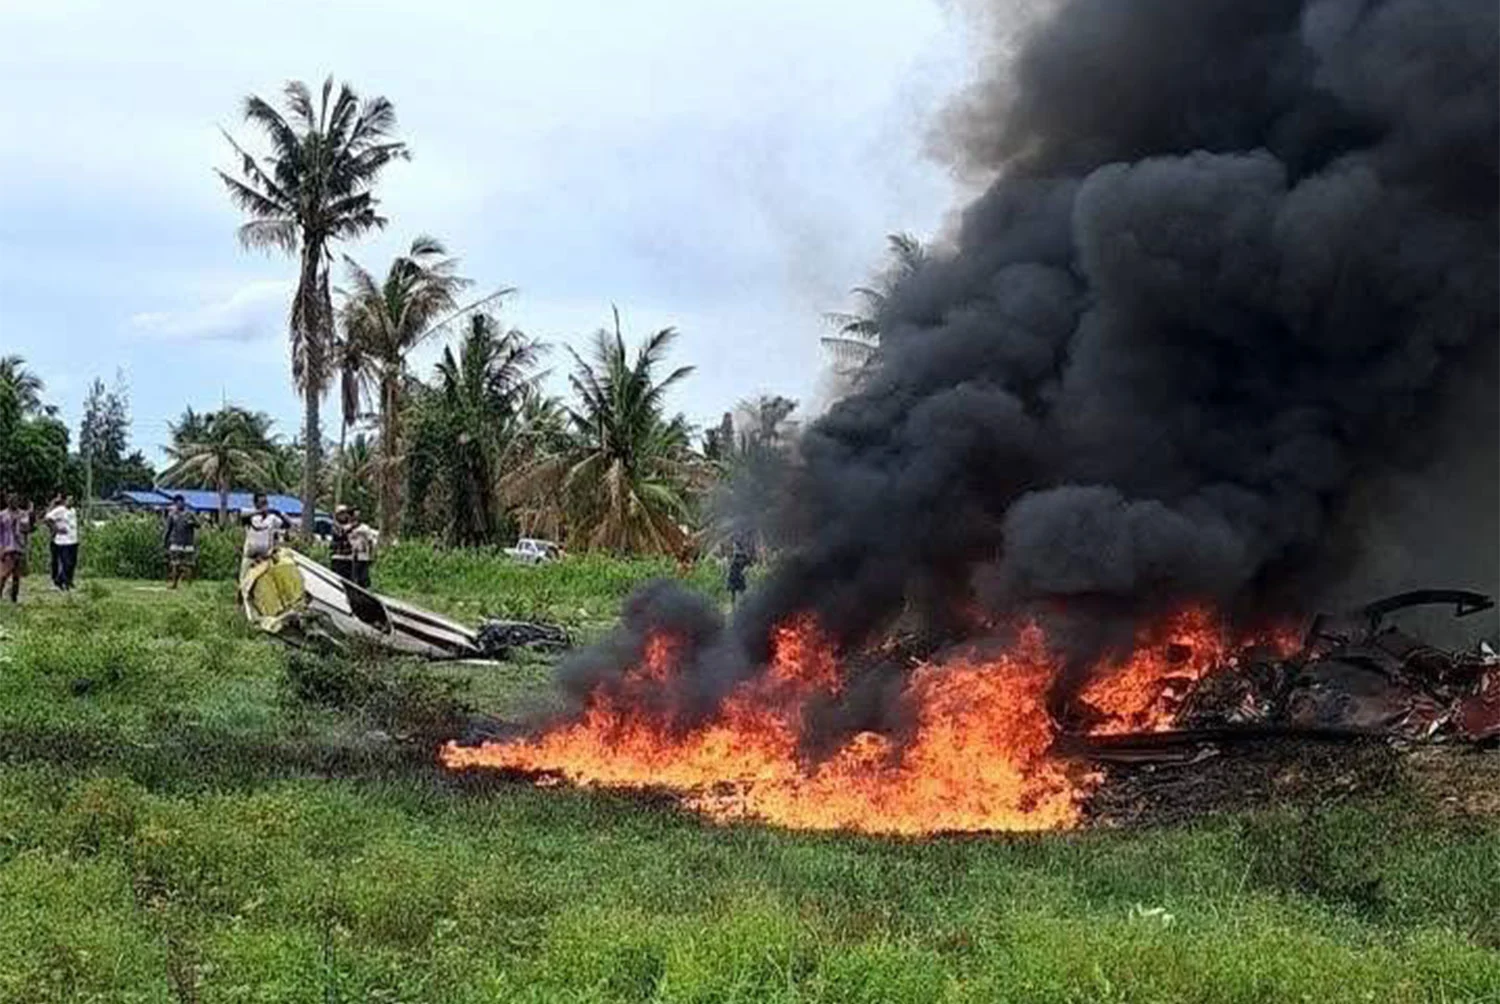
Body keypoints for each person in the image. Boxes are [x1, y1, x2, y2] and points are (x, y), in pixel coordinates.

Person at [239, 493, 287, 583]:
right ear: (255, 503)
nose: (264, 505)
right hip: (250, 558)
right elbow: (241, 517)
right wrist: (260, 512)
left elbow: (287, 524)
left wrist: (279, 513)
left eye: (265, 502)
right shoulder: (250, 515)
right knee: (244, 583)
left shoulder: (272, 518)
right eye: (262, 502)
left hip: (265, 559)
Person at [0, 494, 33, 604]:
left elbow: (27, 529)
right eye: (11, 500)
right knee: (4, 574)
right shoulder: (2, 515)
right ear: (7, 501)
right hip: (7, 547)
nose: (13, 502)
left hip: (19, 546)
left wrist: (29, 517)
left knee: (16, 575)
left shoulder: (22, 514)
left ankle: (14, 597)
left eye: (15, 500)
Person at [163, 495, 200, 589]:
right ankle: (174, 583)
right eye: (178, 502)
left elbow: (198, 524)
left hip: (188, 542)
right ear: (175, 504)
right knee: (175, 563)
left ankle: (188, 584)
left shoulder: (190, 514)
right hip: (176, 541)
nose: (180, 504)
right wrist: (165, 542)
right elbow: (168, 529)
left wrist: (192, 523)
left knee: (188, 563)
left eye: (182, 502)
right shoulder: (172, 515)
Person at [43, 493, 79, 591]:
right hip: (63, 541)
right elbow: (47, 518)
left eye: (72, 500)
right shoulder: (60, 510)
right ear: (64, 501)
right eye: (69, 500)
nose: (71, 502)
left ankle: (68, 581)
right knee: (66, 562)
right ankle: (61, 581)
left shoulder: (73, 510)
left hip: (73, 540)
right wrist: (56, 528)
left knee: (72, 563)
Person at [347, 507, 378, 589]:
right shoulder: (348, 528)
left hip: (363, 556)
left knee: (363, 576)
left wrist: (371, 555)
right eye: (354, 515)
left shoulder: (365, 528)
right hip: (351, 556)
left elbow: (370, 542)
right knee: (353, 576)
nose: (356, 517)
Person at [328, 505, 355, 581]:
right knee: (337, 579)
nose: (343, 516)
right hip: (338, 557)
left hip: (349, 558)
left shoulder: (351, 524)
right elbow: (339, 534)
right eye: (341, 514)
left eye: (345, 513)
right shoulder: (335, 526)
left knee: (349, 580)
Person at [726, 538, 753, 610]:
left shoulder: (740, 555)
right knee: (735, 592)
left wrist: (745, 569)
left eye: (735, 546)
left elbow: (749, 563)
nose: (734, 548)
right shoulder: (738, 555)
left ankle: (740, 606)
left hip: (737, 575)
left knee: (739, 592)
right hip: (735, 575)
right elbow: (749, 563)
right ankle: (736, 606)